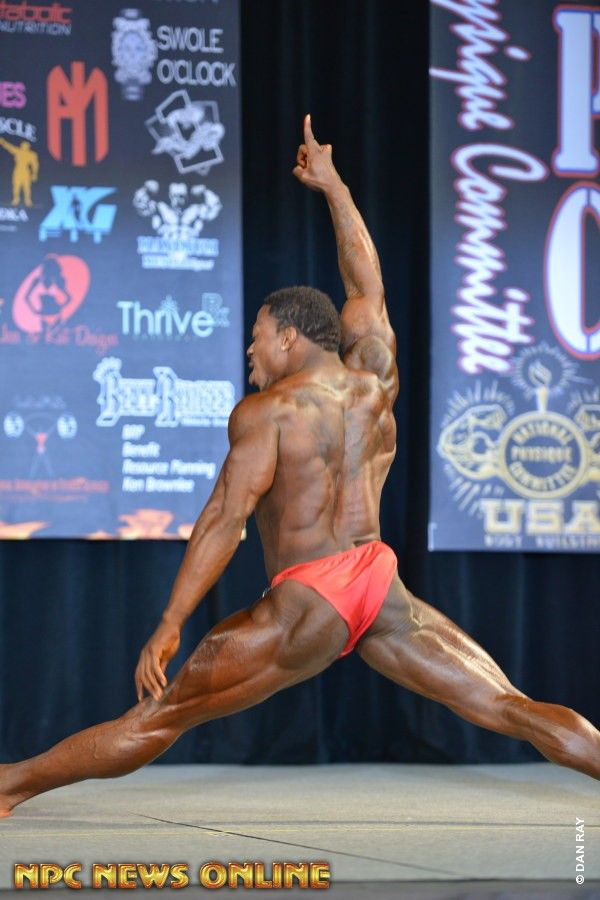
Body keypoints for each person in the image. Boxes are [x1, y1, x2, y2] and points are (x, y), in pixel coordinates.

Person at [0, 117, 598, 817]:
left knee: (160, 717)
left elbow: (224, 520)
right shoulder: (373, 383)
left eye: (257, 339)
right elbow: (366, 286)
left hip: (311, 596)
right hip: (376, 581)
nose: (250, 353)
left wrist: (170, 622)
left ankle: (9, 786)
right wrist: (335, 188)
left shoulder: (269, 413)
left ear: (288, 336)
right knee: (507, 706)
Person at [0, 137, 39, 207]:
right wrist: (3, 142)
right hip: (18, 170)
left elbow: (35, 165)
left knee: (27, 187)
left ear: (28, 147)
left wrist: (34, 174)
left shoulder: (32, 154)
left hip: (26, 171)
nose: (24, 147)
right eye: (23, 145)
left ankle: (27, 200)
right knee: (16, 186)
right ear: (21, 146)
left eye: (26, 146)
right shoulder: (18, 151)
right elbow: (9, 147)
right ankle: (16, 199)